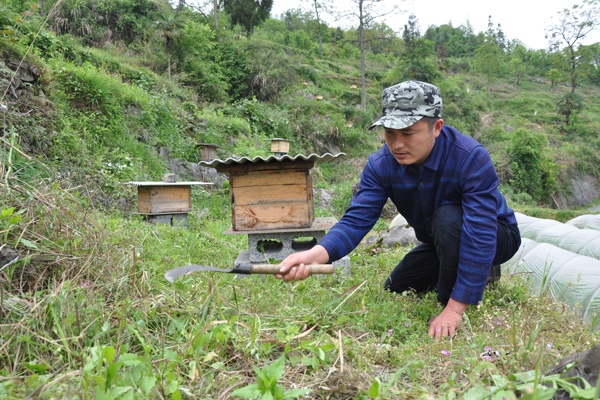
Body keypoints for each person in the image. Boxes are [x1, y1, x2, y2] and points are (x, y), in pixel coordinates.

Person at [276, 80, 521, 339]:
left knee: (448, 217)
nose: (397, 144)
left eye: (408, 133)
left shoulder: (470, 157)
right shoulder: (381, 165)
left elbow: (480, 232)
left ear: (436, 128)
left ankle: (475, 278)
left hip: (494, 235)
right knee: (396, 287)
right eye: (389, 133)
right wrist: (316, 254)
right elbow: (357, 219)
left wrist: (454, 308)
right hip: (440, 240)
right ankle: (462, 269)